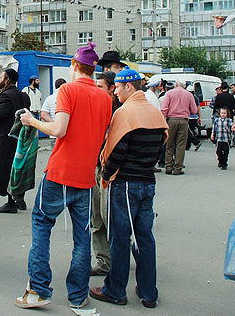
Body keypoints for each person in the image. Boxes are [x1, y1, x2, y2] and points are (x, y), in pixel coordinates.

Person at [14, 43, 113, 310]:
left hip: (59, 173)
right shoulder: (105, 98)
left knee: (42, 227)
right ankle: (79, 297)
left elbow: (59, 129)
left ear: (73, 64)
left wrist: (32, 122)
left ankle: (38, 290)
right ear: (93, 69)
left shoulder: (68, 90)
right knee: (82, 238)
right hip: (85, 176)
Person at [88, 68, 167, 309]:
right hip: (147, 183)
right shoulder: (154, 112)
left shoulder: (125, 113)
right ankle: (148, 292)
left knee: (120, 239)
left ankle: (115, 290)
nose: (116, 92)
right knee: (145, 239)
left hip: (124, 185)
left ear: (129, 87)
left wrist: (106, 174)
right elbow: (161, 147)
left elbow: (115, 152)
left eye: (118, 88)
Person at [0, 68, 31, 213]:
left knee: (7, 170)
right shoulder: (23, 95)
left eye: (1, 77)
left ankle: (11, 202)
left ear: (8, 80)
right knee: (17, 168)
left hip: (5, 138)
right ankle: (20, 199)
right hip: (20, 137)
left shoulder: (6, 96)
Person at [91, 71, 120, 276]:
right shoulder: (95, 107)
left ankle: (119, 259)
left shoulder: (120, 111)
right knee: (97, 218)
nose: (96, 90)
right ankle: (104, 261)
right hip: (96, 167)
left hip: (113, 172)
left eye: (100, 87)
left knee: (112, 218)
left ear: (111, 88)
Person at [160, 80, 197, 175]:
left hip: (171, 120)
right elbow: (194, 110)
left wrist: (163, 120)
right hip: (183, 120)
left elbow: (164, 108)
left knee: (169, 144)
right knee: (181, 145)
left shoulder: (169, 93)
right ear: (184, 86)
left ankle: (168, 166)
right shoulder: (189, 95)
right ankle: (178, 168)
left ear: (176, 85)